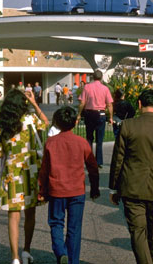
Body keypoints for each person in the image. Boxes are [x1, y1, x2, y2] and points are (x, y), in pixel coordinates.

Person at [109, 89, 153, 264]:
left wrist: (114, 187)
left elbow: (118, 158)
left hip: (132, 188)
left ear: (139, 104)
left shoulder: (128, 126)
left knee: (138, 232)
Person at [38, 106, 100, 264]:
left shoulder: (51, 143)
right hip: (76, 191)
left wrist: (42, 190)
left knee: (56, 223)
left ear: (57, 123)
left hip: (56, 190)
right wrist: (94, 188)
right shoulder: (82, 142)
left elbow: (44, 170)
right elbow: (93, 167)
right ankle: (73, 260)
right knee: (74, 228)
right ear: (75, 122)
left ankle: (60, 252)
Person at [0, 89, 49, 264]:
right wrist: (34, 103)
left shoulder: (2, 126)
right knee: (30, 214)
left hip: (12, 174)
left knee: (13, 216)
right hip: (31, 171)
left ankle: (15, 257)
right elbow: (46, 122)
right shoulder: (31, 120)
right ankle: (26, 249)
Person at [76, 70, 114, 168]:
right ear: (101, 78)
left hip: (89, 113)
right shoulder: (105, 89)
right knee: (99, 139)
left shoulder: (87, 87)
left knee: (89, 137)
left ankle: (89, 160)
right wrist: (110, 117)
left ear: (92, 77)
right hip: (101, 114)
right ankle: (99, 161)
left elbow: (82, 103)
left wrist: (79, 114)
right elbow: (109, 104)